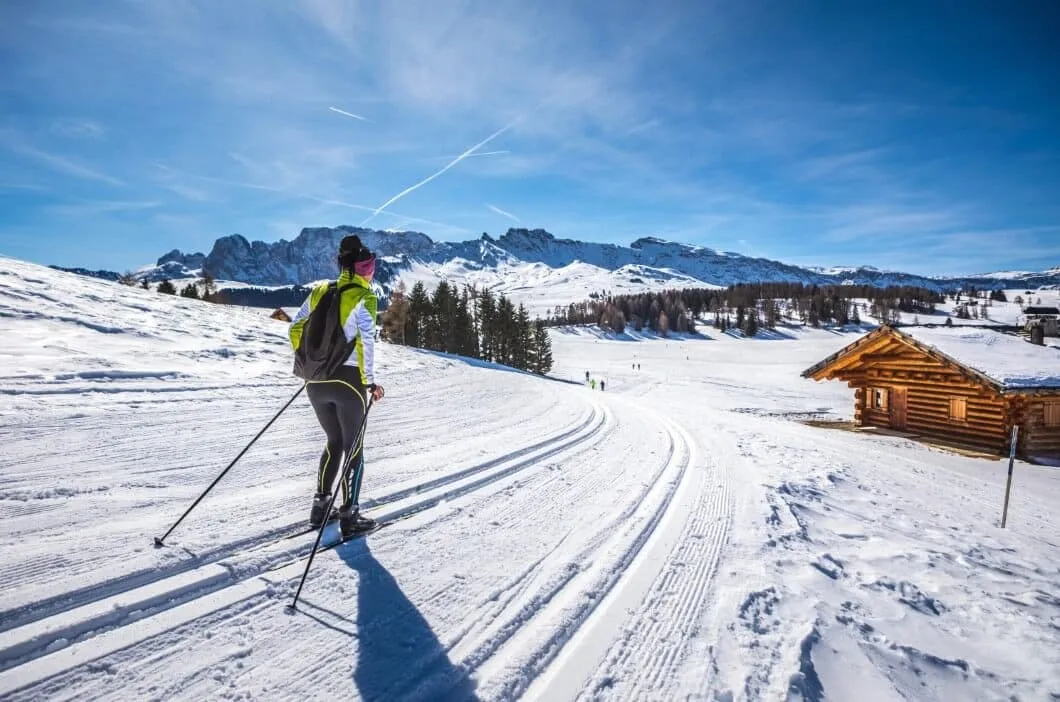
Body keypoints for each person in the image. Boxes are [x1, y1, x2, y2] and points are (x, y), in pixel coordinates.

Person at [289, 235, 385, 538]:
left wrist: (313, 361)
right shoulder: (364, 296)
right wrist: (369, 381)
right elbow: (365, 343)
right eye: (369, 266)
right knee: (353, 446)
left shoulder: (320, 290)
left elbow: (295, 327)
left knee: (334, 441)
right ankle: (350, 515)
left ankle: (321, 508)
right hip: (349, 382)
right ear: (360, 269)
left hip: (315, 381)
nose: (371, 271)